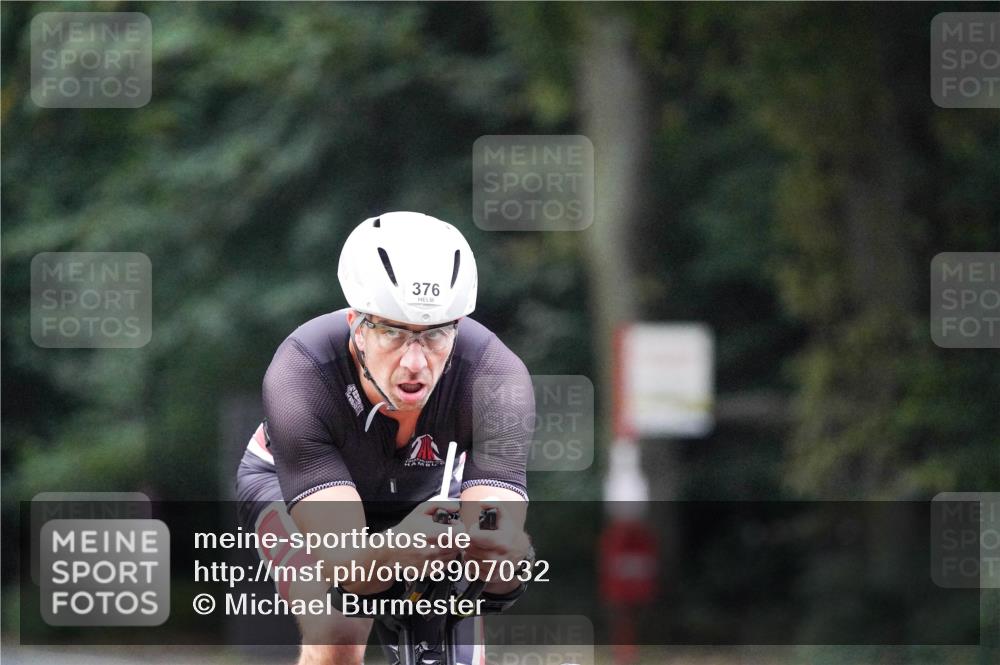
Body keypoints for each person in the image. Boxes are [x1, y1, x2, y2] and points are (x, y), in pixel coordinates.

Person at [235, 211, 535, 665]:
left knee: (452, 642)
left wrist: (502, 551)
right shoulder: (301, 372)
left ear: (457, 326)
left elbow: (496, 542)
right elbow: (348, 569)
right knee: (337, 632)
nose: (415, 363)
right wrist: (396, 549)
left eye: (436, 335)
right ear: (356, 325)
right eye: (392, 332)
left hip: (426, 495)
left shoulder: (496, 377)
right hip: (288, 487)